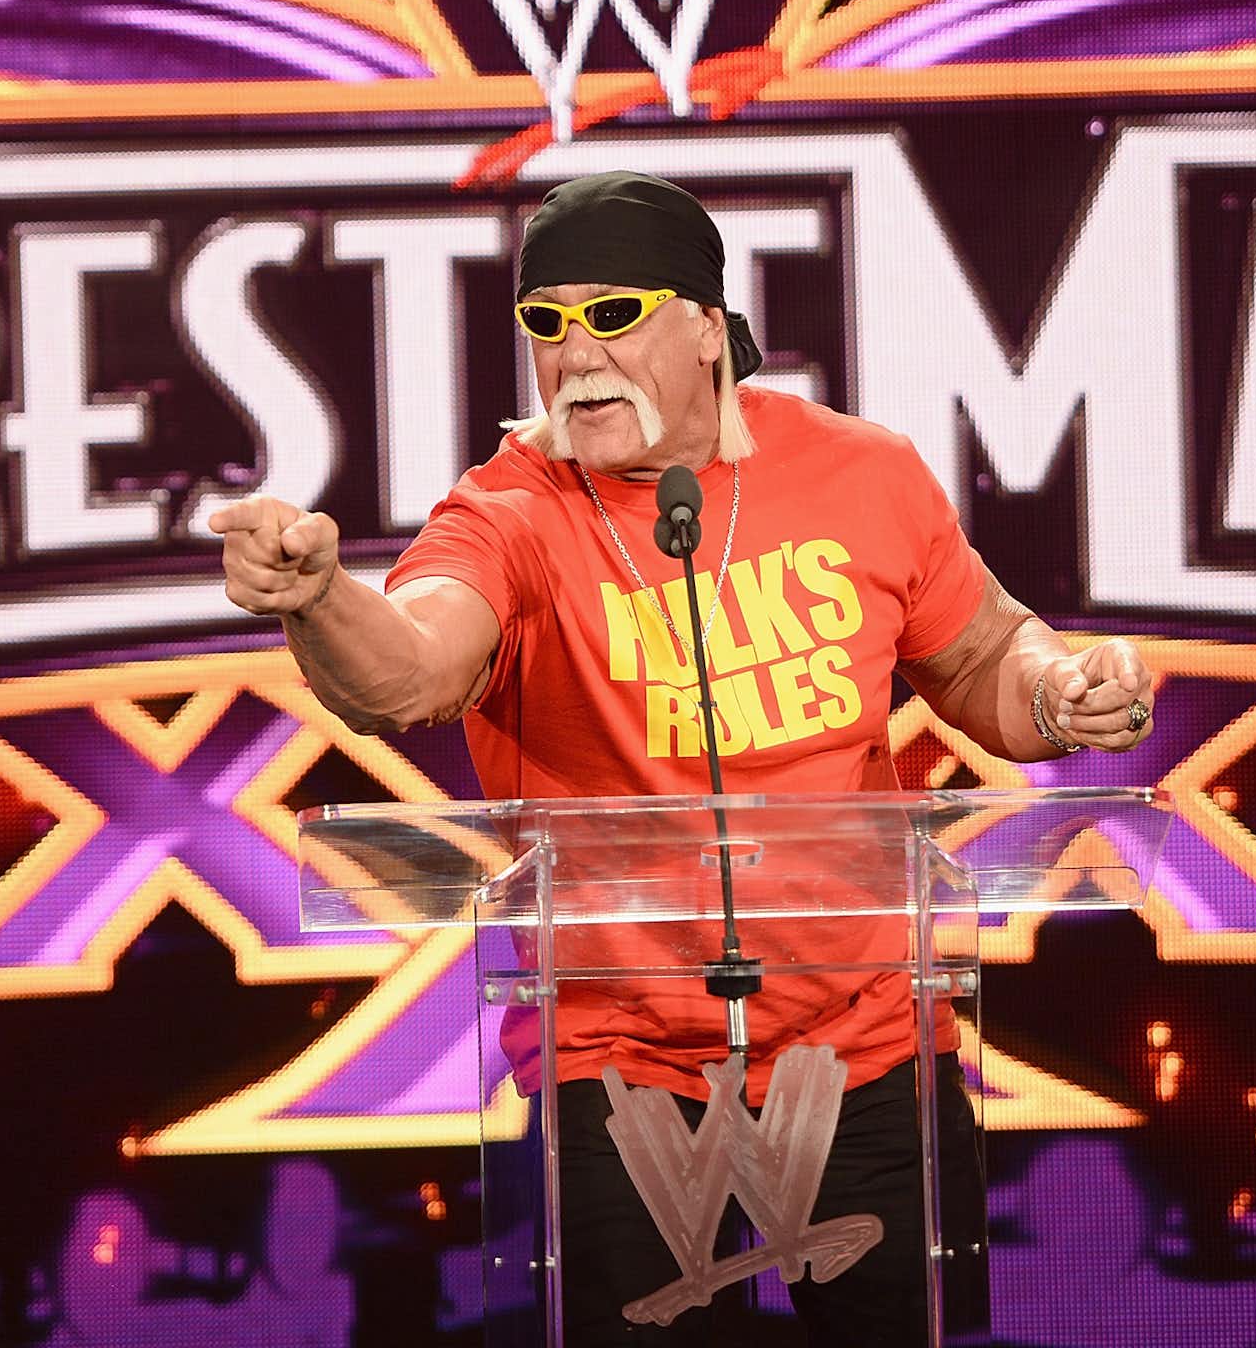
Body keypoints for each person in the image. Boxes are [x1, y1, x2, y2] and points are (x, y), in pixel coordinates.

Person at [208, 171, 1155, 1345]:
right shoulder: (508, 511)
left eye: (612, 314)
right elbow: (407, 670)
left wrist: (1064, 697)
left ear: (707, 326)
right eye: (544, 322)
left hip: (864, 1048)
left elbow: (981, 660)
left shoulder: (863, 471)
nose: (573, 352)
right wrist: (317, 599)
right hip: (620, 1067)